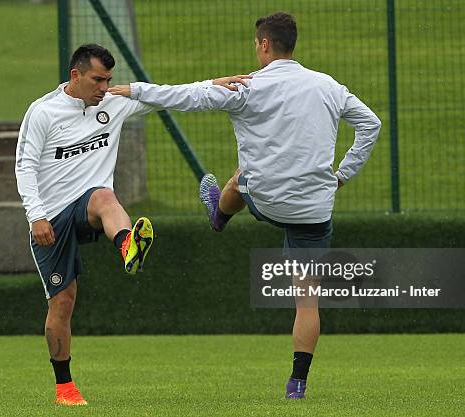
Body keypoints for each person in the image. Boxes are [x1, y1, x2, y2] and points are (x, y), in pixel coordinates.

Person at [109, 12, 381, 399]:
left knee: (238, 178)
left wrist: (134, 90)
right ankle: (297, 383)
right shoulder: (328, 86)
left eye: (256, 44)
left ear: (264, 44)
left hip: (267, 198)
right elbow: (371, 124)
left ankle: (219, 214)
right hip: (315, 207)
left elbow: (186, 97)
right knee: (307, 301)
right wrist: (344, 174)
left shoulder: (246, 86)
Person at [15, 44, 155, 406]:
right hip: (51, 218)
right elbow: (25, 167)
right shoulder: (43, 111)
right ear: (75, 75)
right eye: (98, 79)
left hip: (88, 206)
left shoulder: (113, 101)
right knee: (62, 302)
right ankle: (65, 387)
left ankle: (128, 245)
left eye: (109, 80)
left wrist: (217, 85)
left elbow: (172, 96)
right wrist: (36, 216)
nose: (105, 88)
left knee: (105, 197)